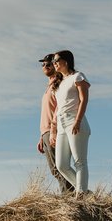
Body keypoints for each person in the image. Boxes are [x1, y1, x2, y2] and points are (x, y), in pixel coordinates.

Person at [52, 50, 91, 194]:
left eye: (57, 60)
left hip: (75, 119)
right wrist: (54, 129)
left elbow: (83, 99)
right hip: (62, 122)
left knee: (79, 161)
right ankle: (85, 191)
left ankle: (81, 194)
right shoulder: (59, 82)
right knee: (61, 165)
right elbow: (58, 107)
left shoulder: (78, 76)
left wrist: (78, 120)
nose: (54, 63)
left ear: (66, 61)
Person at [37, 54, 75, 193]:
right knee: (55, 169)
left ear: (56, 65)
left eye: (49, 64)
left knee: (60, 167)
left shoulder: (59, 84)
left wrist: (53, 131)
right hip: (46, 131)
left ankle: (71, 196)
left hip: (56, 130)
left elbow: (60, 108)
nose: (45, 66)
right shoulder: (49, 85)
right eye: (43, 64)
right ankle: (71, 194)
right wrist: (42, 136)